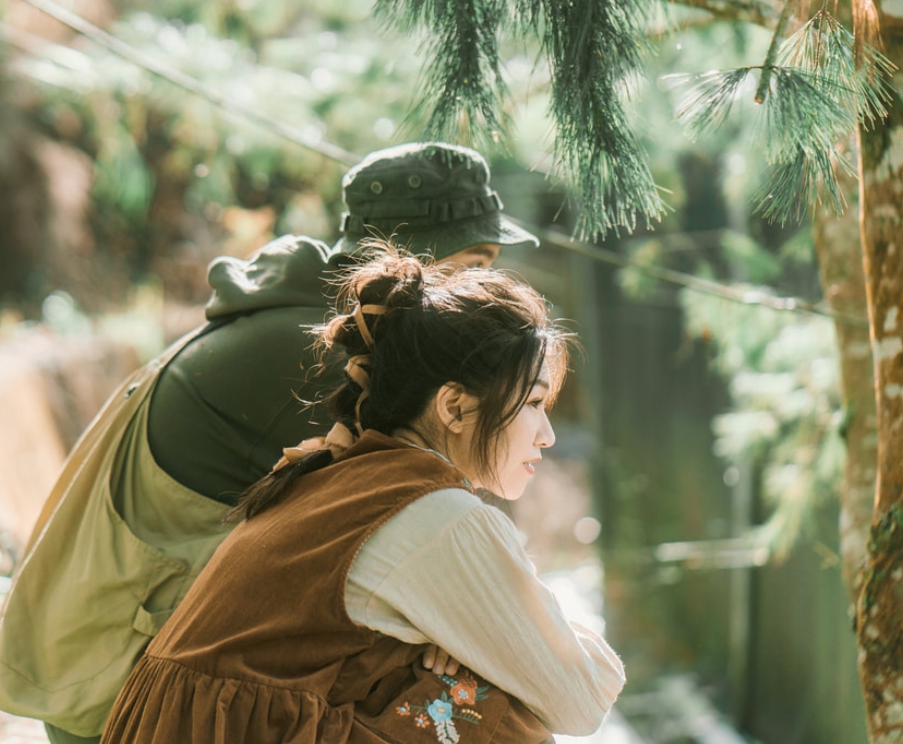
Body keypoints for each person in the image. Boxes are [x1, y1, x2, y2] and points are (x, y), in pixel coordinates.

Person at [0, 143, 540, 743]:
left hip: (120, 656)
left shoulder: (314, 321)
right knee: (488, 710)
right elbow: (435, 540)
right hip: (120, 691)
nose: (490, 286)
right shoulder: (325, 357)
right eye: (476, 262)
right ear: (411, 258)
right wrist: (455, 627)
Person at [99, 246, 625, 744]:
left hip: (173, 727)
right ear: (454, 408)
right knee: (491, 712)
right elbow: (583, 696)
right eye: (534, 403)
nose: (547, 434)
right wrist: (488, 643)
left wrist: (473, 635)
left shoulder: (343, 474)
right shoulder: (437, 517)